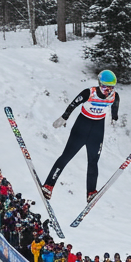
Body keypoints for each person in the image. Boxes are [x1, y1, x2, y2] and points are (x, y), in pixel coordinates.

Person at [43, 70, 120, 202]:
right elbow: (73, 104)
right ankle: (48, 185)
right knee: (66, 156)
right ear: (99, 84)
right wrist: (64, 117)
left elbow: (115, 107)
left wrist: (114, 118)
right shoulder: (89, 93)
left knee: (93, 161)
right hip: (82, 126)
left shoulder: (114, 96)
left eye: (111, 87)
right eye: (105, 87)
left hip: (97, 130)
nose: (108, 90)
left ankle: (91, 192)